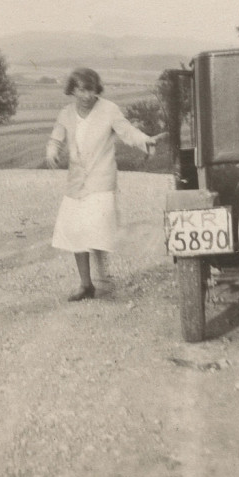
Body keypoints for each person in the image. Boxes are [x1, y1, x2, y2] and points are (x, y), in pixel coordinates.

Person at [45, 67, 166, 302]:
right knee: (77, 230)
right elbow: (56, 137)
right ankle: (85, 285)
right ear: (72, 90)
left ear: (96, 90)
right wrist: (51, 151)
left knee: (97, 227)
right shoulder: (66, 114)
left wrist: (146, 141)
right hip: (76, 181)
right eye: (80, 90)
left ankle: (102, 278)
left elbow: (128, 132)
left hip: (101, 178)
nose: (86, 96)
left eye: (90, 90)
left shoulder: (109, 110)